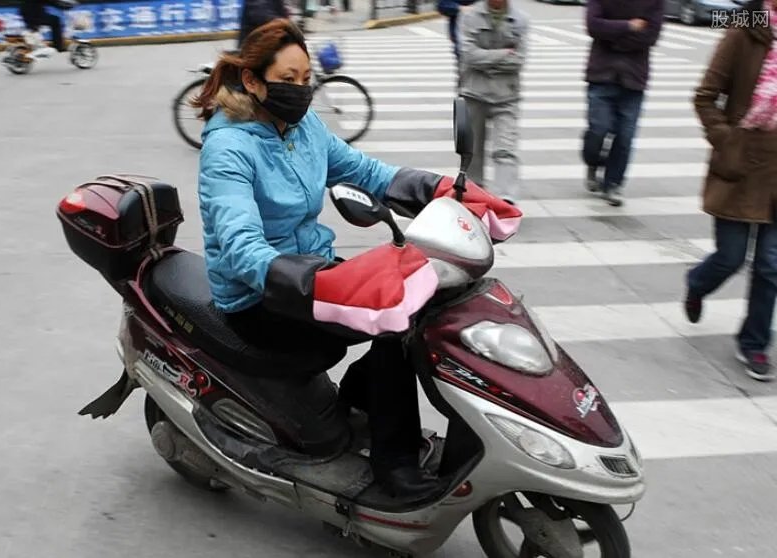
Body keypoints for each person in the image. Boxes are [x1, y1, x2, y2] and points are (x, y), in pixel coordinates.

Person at [191, 19, 521, 498]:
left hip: (311, 273)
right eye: (288, 80)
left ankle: (357, 408)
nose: (301, 90)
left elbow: (364, 172)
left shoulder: (304, 128)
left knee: (423, 303)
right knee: (393, 327)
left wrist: (440, 190)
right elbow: (242, 247)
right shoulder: (228, 150)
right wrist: (319, 281)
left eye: (306, 79)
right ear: (252, 80)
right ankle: (395, 465)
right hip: (258, 297)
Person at [685, 0, 777, 382]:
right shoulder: (745, 26)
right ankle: (697, 283)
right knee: (731, 256)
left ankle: (754, 343)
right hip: (741, 163)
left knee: (772, 264)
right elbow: (705, 96)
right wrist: (727, 140)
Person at [582, 0, 664, 207]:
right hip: (602, 74)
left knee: (625, 137)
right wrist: (628, 26)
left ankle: (613, 184)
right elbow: (593, 25)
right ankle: (593, 161)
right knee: (598, 129)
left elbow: (651, 34)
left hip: (634, 78)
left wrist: (613, 38)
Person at [457, 0, 528, 205]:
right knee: (473, 152)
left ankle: (506, 199)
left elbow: (519, 59)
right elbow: (469, 56)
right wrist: (503, 54)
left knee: (505, 149)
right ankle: (474, 196)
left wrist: (486, 60)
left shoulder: (520, 20)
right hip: (474, 92)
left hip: (507, 95)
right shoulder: (469, 17)